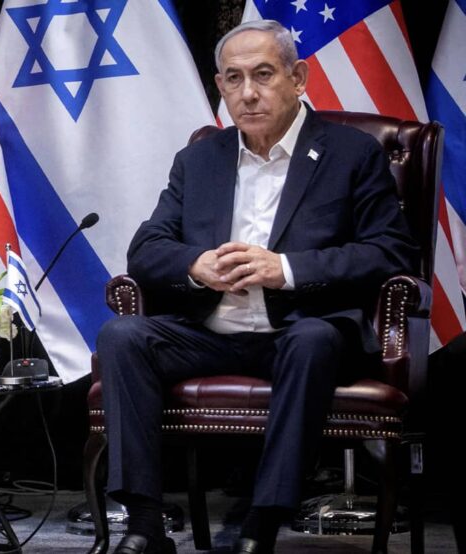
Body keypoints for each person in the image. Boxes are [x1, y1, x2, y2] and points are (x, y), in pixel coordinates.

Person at [96, 20, 418, 554]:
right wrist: (196, 265)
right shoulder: (199, 160)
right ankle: (145, 524)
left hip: (300, 332)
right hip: (209, 330)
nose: (248, 93)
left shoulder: (351, 154)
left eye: (263, 75)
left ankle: (261, 526)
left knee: (312, 340)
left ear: (298, 78)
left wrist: (285, 269)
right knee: (122, 336)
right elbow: (147, 248)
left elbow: (390, 251)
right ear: (220, 87)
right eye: (234, 78)